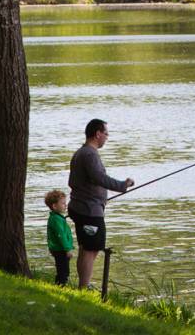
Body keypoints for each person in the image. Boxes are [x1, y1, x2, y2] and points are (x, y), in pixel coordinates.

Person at [68, 118, 134, 289]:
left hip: (81, 207)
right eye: (106, 133)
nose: (107, 137)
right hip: (89, 211)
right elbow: (100, 178)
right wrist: (122, 185)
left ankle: (83, 286)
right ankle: (84, 287)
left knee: (86, 248)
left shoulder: (81, 152)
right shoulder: (90, 154)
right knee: (91, 249)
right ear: (97, 134)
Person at [44, 189, 74, 286]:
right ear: (54, 206)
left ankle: (59, 285)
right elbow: (61, 236)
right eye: (63, 203)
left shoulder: (57, 218)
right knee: (63, 271)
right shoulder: (56, 219)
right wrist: (68, 249)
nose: (65, 205)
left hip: (59, 249)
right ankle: (61, 286)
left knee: (62, 269)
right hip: (61, 250)